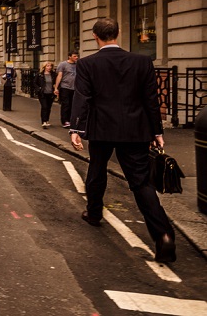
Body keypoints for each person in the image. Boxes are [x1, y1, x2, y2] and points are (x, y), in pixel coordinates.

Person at [69, 17, 175, 263]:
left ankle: (94, 214)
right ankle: (164, 236)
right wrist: (157, 132)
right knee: (141, 183)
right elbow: (151, 99)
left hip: (101, 129)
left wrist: (75, 128)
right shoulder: (141, 61)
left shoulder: (87, 64)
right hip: (134, 130)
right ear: (119, 33)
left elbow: (82, 97)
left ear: (95, 36)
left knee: (97, 170)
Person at [54, 50, 79, 127]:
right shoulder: (63, 64)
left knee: (72, 104)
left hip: (74, 88)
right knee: (66, 104)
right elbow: (59, 76)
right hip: (65, 87)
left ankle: (71, 120)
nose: (76, 57)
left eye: (77, 56)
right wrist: (56, 88)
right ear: (69, 56)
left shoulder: (77, 64)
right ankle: (65, 121)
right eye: (74, 56)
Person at [34, 62, 57, 129]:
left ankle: (47, 120)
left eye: (50, 66)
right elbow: (35, 83)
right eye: (47, 66)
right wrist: (39, 89)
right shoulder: (40, 75)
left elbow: (56, 82)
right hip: (42, 93)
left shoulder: (53, 75)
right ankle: (43, 121)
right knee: (44, 107)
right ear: (44, 67)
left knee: (49, 108)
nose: (49, 67)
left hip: (50, 93)